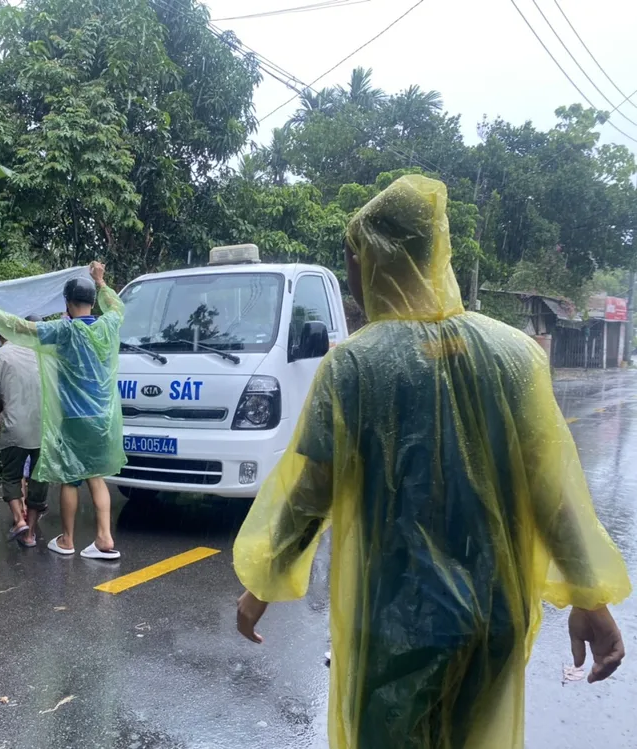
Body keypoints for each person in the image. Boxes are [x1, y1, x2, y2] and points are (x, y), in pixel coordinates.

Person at [233, 175, 631, 749]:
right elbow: (553, 493)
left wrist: (260, 589)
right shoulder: (514, 356)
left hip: (392, 628)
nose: (353, 273)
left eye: (355, 255)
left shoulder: (354, 369)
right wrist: (589, 601)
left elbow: (308, 496)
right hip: (493, 620)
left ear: (377, 259)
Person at [0, 261, 126, 559]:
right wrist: (101, 280)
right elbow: (117, 306)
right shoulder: (109, 324)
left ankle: (67, 540)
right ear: (93, 303)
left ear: (67, 304)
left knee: (70, 477)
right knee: (96, 475)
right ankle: (105, 538)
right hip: (104, 417)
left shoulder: (64, 331)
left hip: (74, 416)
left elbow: (21, 328)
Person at [0, 315, 48, 547]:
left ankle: (18, 519)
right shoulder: (49, 357)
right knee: (39, 480)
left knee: (11, 476)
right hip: (45, 429)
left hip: (14, 427)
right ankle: (30, 535)